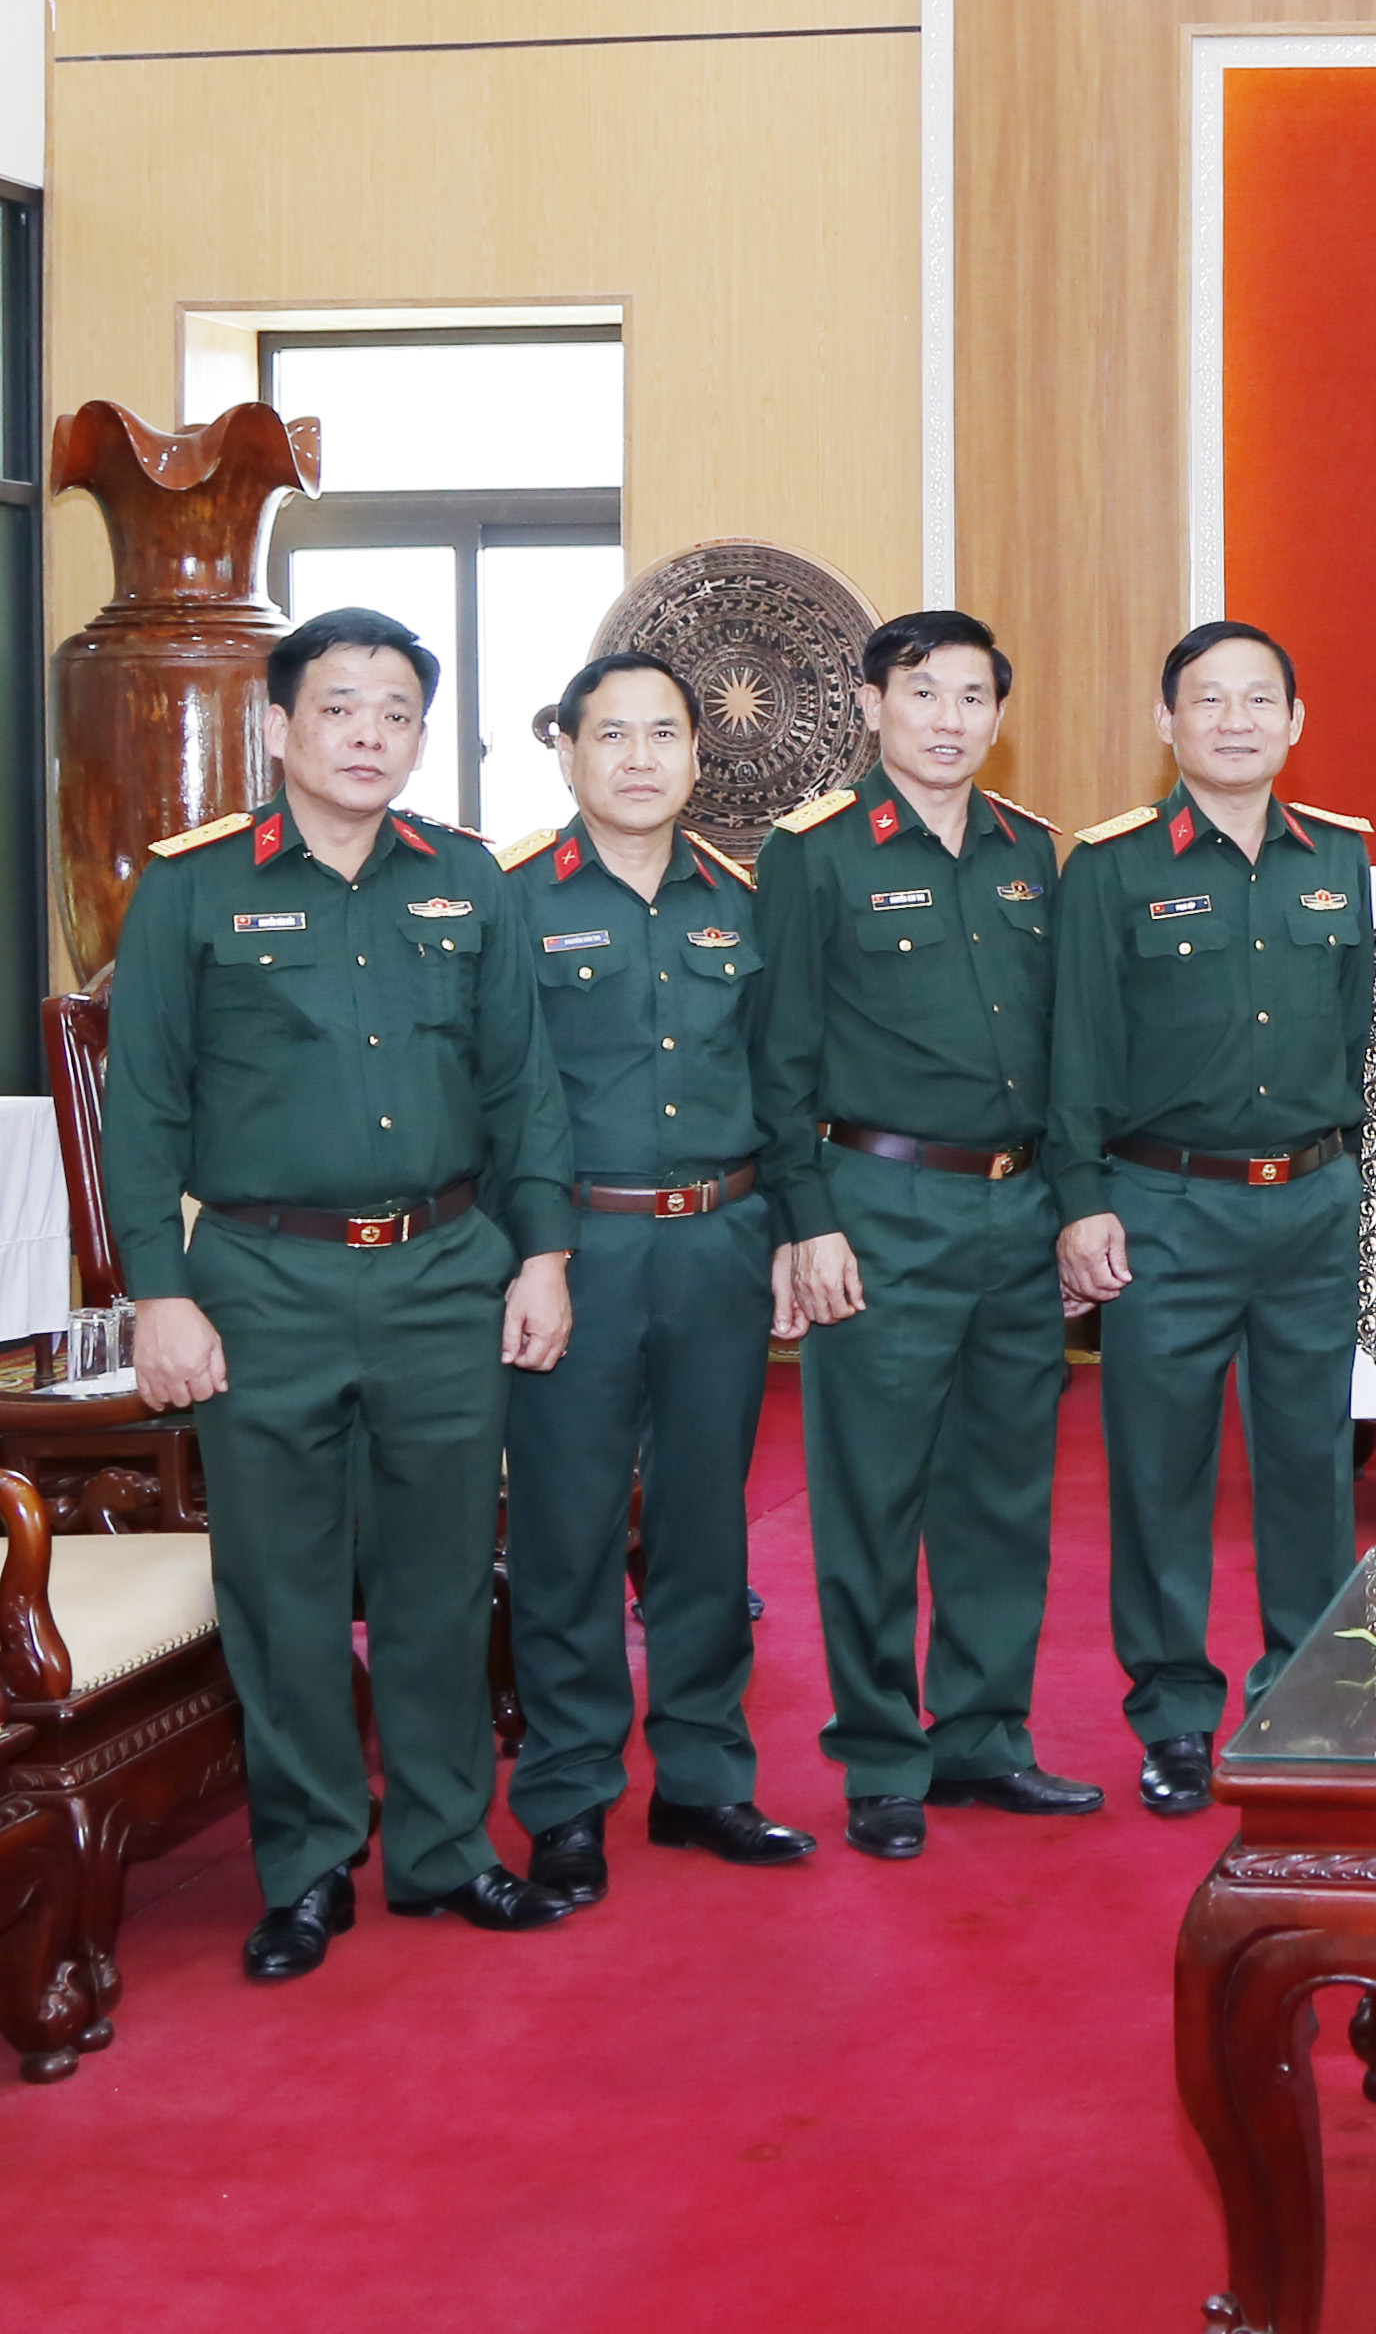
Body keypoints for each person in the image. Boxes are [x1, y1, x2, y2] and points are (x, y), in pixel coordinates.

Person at [109, 606, 581, 1977]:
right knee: (285, 1588)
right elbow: (143, 1110)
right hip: (263, 1280)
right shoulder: (192, 886)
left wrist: (543, 1254)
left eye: (396, 714)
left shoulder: (467, 878)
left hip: (444, 1271)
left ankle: (444, 1851)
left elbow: (522, 1085)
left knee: (442, 1581)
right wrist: (159, 1293)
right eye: (339, 707)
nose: (369, 734)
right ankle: (309, 1864)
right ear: (278, 727)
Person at [754, 609, 1090, 1860]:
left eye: (971, 697)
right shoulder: (815, 853)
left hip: (1017, 1207)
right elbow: (777, 1058)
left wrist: (1067, 1207)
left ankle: (986, 1738)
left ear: (998, 714)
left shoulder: (1032, 851)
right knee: (873, 1496)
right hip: (879, 1207)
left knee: (1003, 1493)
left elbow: (1065, 1050)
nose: (948, 720)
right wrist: (808, 1221)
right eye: (922, 693)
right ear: (870, 705)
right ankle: (882, 1757)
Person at [496, 651, 817, 1902]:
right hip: (577, 1249)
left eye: (664, 734)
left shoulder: (741, 901)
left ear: (696, 753)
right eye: (612, 734)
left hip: (718, 1243)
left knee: (704, 1524)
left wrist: (788, 1230)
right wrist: (532, 1254)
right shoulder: (512, 900)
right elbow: (495, 1100)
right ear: (568, 751)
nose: (639, 758)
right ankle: (570, 1795)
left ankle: (703, 1778)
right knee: (569, 1530)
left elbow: (781, 1085)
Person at [1051, 621, 1374, 1814]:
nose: (1235, 722)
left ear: (1296, 722)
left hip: (1311, 1208)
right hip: (1165, 1209)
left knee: (1311, 1468)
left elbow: (1359, 1035)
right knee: (1159, 1473)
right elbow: (1076, 1052)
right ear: (1166, 722)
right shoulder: (1112, 868)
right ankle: (1174, 1714)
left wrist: (1355, 1187)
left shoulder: (1338, 858)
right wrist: (1081, 1204)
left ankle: (1306, 1693)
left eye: (1259, 700)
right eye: (1209, 700)